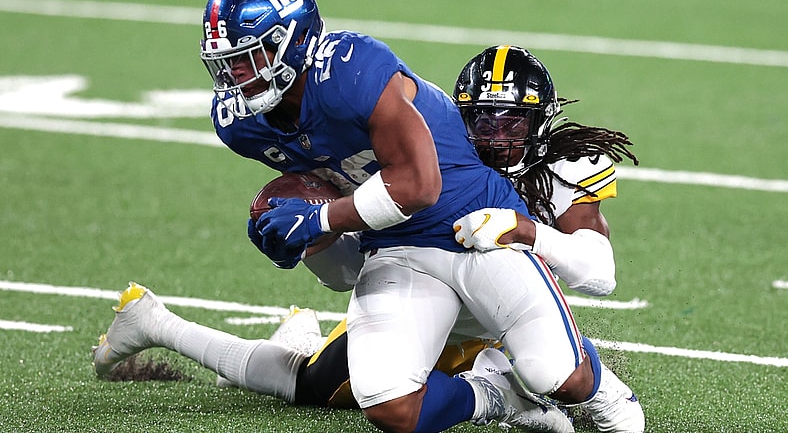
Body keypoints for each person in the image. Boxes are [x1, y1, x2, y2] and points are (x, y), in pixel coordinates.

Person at [92, 33, 643, 431]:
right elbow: (349, 264)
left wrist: (527, 231)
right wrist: (309, 238)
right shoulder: (423, 151)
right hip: (419, 276)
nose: (492, 136)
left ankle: (589, 392)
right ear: (454, 114)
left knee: (551, 368)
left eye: (510, 123)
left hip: (501, 301)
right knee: (319, 387)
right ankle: (207, 329)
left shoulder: (565, 166)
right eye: (477, 119)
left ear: (540, 121)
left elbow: (599, 273)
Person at [197, 0, 598, 431]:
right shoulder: (241, 125)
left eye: (252, 55)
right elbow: (337, 246)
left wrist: (319, 220)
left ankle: (605, 389)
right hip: (393, 243)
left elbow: (418, 185)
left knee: (564, 377)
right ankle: (493, 394)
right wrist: (301, 240)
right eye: (227, 60)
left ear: (293, 40)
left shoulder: (349, 70)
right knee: (386, 404)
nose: (236, 73)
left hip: (474, 227)